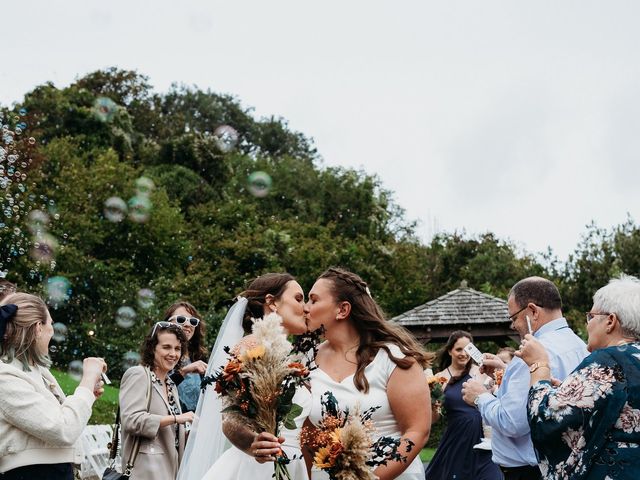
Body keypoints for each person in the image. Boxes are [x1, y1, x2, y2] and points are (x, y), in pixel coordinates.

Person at [179, 273, 310, 480]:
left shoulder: (294, 356)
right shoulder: (251, 347)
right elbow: (228, 418)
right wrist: (253, 444)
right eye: (299, 298)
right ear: (272, 302)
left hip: (292, 465)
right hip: (257, 469)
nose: (306, 307)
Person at [304, 267, 432, 480]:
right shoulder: (305, 361)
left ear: (342, 310)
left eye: (313, 300)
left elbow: (417, 432)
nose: (305, 308)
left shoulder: (393, 359)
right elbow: (307, 438)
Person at [461, 276, 588, 480]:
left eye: (514, 317)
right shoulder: (580, 346)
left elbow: (512, 422)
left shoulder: (528, 356)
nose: (512, 325)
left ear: (533, 311)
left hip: (530, 471)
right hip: (570, 465)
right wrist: (505, 370)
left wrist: (480, 397)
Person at [517, 274, 640, 479]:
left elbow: (547, 419)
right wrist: (564, 392)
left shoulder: (608, 361)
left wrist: (540, 366)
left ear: (610, 321)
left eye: (591, 317)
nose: (587, 325)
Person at [0, 293, 107, 480]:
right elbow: (63, 430)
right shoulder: (5, 375)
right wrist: (87, 379)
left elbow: (62, 420)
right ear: (38, 328)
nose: (52, 331)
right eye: (50, 323)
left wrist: (87, 395)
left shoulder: (37, 370)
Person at [119, 321, 194, 480]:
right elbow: (131, 420)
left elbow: (169, 433)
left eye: (177, 348)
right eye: (166, 347)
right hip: (144, 471)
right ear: (152, 348)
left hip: (169, 470)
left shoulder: (171, 384)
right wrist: (177, 418)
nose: (173, 354)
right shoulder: (138, 374)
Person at [425, 331, 501, 480]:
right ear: (449, 351)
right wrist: (432, 402)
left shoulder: (482, 372)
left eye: (467, 349)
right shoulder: (441, 378)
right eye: (459, 349)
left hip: (485, 437)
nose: (463, 354)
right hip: (457, 438)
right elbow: (434, 419)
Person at [164, 301, 208, 412]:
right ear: (167, 323)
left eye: (193, 321)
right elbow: (158, 390)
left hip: (195, 425)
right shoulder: (160, 354)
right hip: (170, 423)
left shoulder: (199, 357)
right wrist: (184, 372)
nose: (188, 325)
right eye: (181, 319)